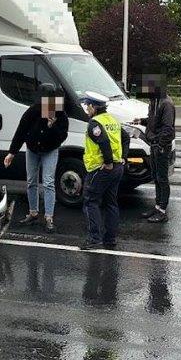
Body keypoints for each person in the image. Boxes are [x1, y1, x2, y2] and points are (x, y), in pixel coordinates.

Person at [4, 84, 69, 232]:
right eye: (43, 102)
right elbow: (21, 131)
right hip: (32, 149)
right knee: (31, 181)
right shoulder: (32, 111)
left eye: (49, 102)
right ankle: (33, 213)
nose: (46, 106)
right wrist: (12, 152)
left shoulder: (59, 113)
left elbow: (62, 136)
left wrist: (52, 127)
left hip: (50, 150)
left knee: (48, 182)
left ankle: (49, 217)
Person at [80, 91, 123, 250]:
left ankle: (94, 239)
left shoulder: (95, 123)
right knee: (111, 203)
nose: (86, 108)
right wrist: (122, 157)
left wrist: (108, 162)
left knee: (91, 201)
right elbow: (125, 138)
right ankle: (110, 239)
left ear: (93, 106)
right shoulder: (113, 120)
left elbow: (103, 141)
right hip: (117, 167)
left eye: (87, 105)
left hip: (101, 168)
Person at [134, 76, 175, 223]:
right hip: (154, 144)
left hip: (161, 146)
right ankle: (157, 206)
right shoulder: (154, 101)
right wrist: (142, 121)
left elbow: (167, 128)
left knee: (162, 178)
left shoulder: (166, 103)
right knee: (156, 177)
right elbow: (154, 121)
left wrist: (162, 146)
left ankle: (162, 210)